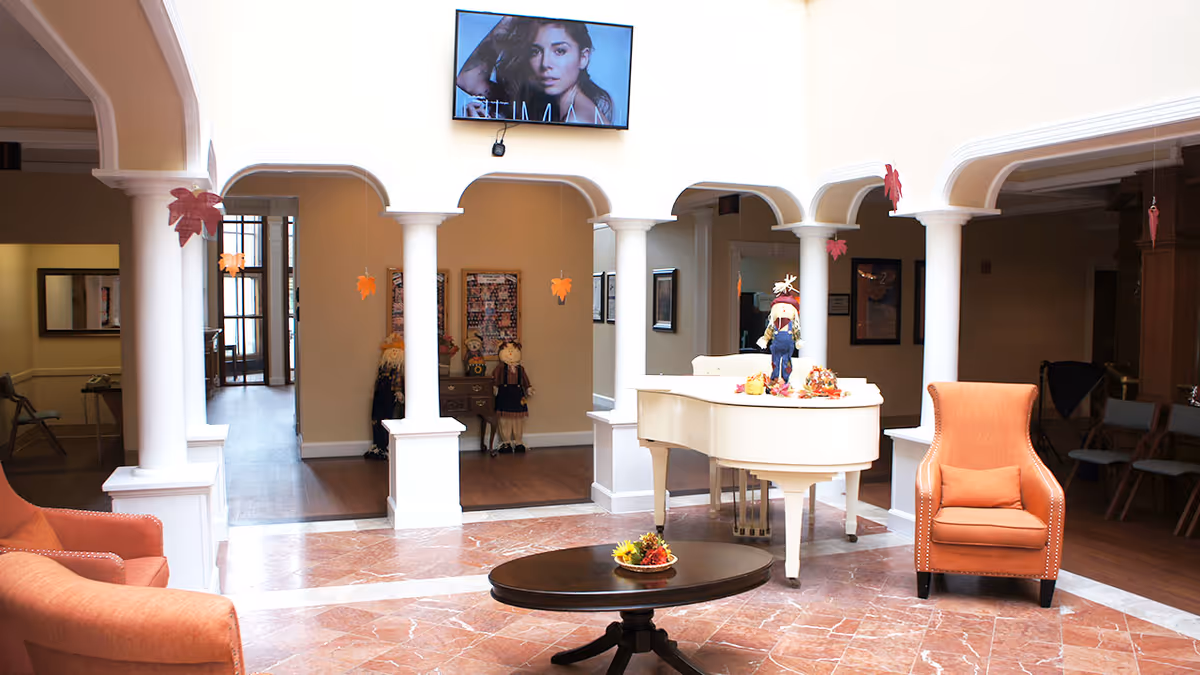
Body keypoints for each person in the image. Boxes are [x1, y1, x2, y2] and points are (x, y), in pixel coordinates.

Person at [456, 16, 613, 126]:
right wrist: (512, 17)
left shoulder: (580, 118)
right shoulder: (539, 100)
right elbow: (467, 80)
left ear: (583, 58)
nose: (545, 63)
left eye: (559, 51)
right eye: (535, 51)